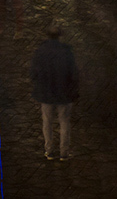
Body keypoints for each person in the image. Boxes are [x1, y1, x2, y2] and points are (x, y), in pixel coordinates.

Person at [30, 29, 78, 161]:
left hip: (46, 93)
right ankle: (64, 152)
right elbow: (74, 73)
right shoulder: (67, 52)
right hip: (64, 93)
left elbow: (33, 73)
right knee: (64, 122)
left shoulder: (40, 52)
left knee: (47, 122)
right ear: (59, 37)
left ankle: (49, 151)